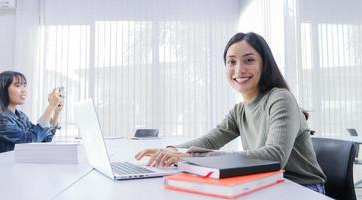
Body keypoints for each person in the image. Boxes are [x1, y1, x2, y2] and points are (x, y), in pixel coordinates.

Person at [135, 32, 326, 194]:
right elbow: (209, 141)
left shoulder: (280, 98)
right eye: (231, 62)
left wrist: (194, 157)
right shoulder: (240, 110)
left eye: (249, 60)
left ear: (264, 64)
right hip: (268, 184)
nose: (239, 69)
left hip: (302, 188)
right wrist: (172, 151)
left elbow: (275, 157)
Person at [0, 71, 64, 154]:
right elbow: (29, 141)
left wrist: (56, 112)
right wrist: (50, 107)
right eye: (18, 85)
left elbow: (43, 139)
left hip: (22, 164)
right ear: (3, 89)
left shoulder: (21, 115)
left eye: (24, 85)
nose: (24, 90)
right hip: (6, 165)